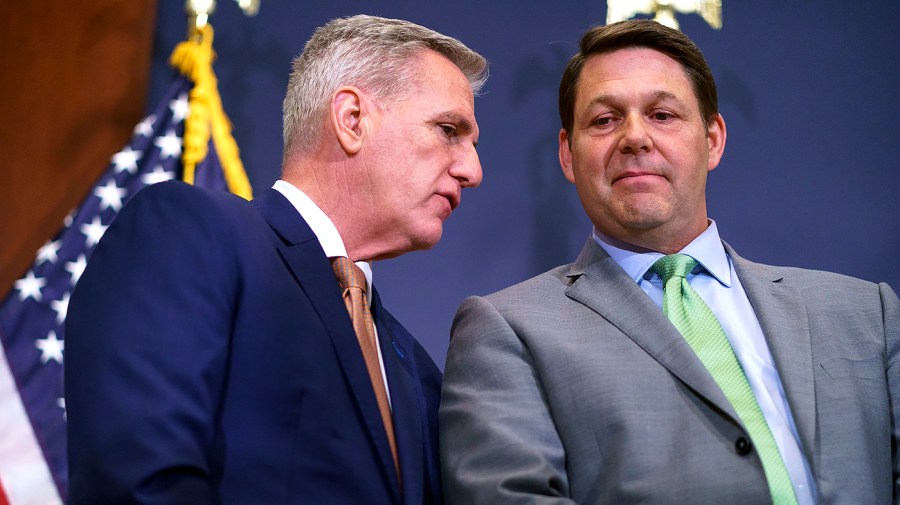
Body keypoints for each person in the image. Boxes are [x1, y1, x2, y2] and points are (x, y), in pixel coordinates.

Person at [439, 19, 898, 505]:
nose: (634, 138)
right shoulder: (508, 331)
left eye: (662, 115)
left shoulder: (867, 313)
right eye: (604, 120)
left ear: (713, 139)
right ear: (568, 156)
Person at [66, 14, 486, 505]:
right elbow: (136, 477)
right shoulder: (192, 232)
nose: (472, 170)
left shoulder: (415, 366)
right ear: (352, 120)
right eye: (448, 130)